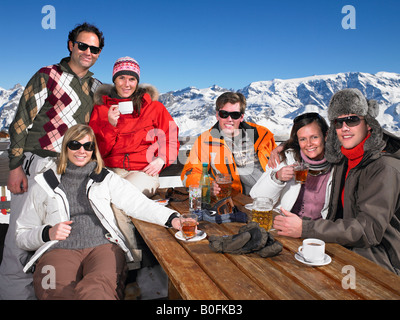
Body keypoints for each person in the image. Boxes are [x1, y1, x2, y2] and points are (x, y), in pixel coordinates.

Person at [15, 124, 181, 300]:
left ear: (94, 150)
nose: (81, 151)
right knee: (56, 293)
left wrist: (172, 219)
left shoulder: (104, 178)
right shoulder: (44, 183)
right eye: (74, 145)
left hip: (103, 246)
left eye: (88, 146)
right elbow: (21, 234)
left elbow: (137, 203)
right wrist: (47, 233)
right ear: (65, 147)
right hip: (58, 249)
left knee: (98, 291)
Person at [0, 22, 104, 300]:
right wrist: (14, 167)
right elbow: (20, 122)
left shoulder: (94, 86)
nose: (88, 52)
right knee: (19, 239)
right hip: (38, 165)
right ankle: (14, 296)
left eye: (94, 49)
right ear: (71, 45)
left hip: (69, 171)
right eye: (83, 45)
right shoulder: (48, 75)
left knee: (54, 240)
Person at [274, 88, 400, 274]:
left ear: (369, 124)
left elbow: (368, 231)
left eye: (352, 119)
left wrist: (306, 228)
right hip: (342, 246)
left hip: (378, 258)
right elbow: (311, 142)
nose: (345, 127)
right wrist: (281, 147)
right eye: (338, 122)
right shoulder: (342, 157)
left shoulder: (384, 167)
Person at [89, 56, 179, 271]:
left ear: (137, 81)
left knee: (119, 203)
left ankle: (132, 265)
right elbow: (96, 150)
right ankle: (106, 260)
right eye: (121, 78)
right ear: (114, 80)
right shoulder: (101, 110)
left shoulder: (154, 107)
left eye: (131, 79)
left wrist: (162, 158)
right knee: (96, 203)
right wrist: (110, 125)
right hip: (112, 170)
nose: (126, 84)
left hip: (143, 171)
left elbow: (171, 136)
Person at [181, 91, 277, 196]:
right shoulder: (206, 141)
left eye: (235, 115)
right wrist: (206, 185)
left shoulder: (261, 134)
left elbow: (279, 163)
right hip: (240, 200)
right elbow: (190, 172)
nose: (229, 119)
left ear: (241, 117)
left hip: (274, 194)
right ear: (217, 115)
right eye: (224, 114)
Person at [250, 112, 332, 220]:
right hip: (284, 225)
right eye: (303, 139)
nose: (309, 144)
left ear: (325, 136)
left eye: (314, 137)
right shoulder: (287, 157)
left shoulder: (337, 166)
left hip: (317, 231)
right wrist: (277, 178)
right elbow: (257, 197)